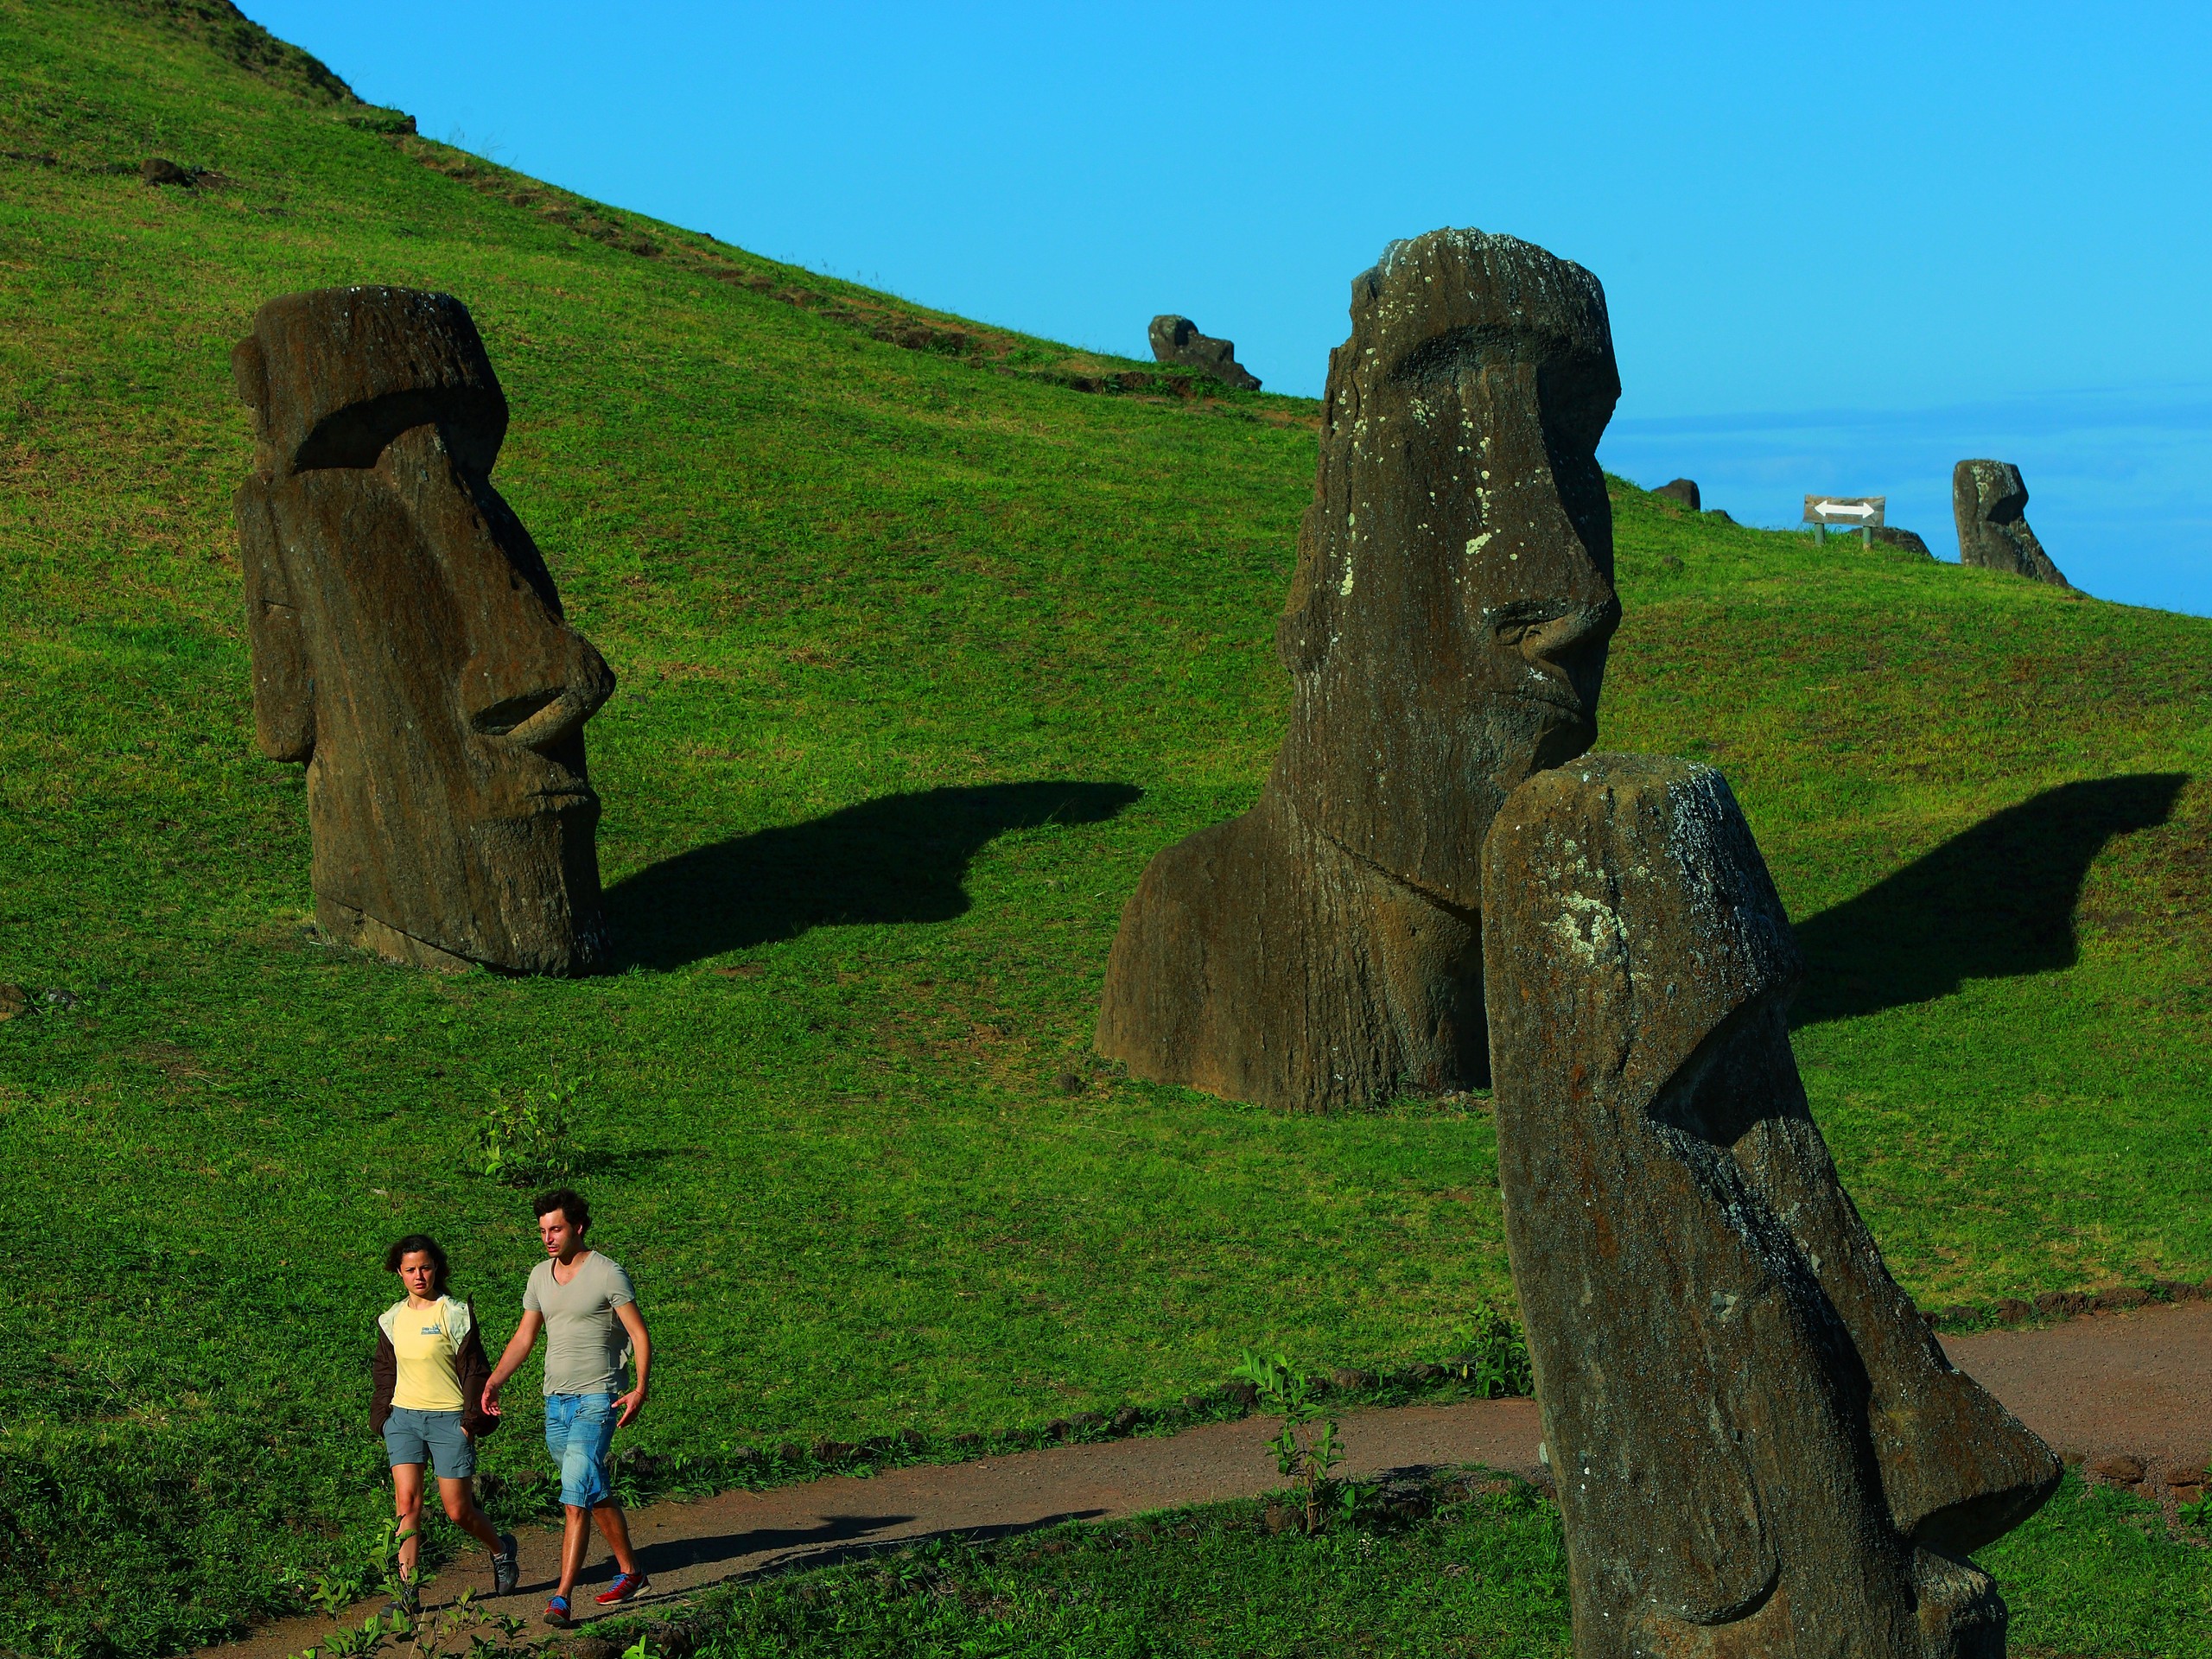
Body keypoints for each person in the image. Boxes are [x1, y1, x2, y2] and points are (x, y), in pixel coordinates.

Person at [482, 1189, 653, 1627]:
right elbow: (525, 1336)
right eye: (542, 1230)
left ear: (578, 1226)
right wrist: (496, 1380)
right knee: (591, 1487)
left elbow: (638, 1333)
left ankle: (561, 1597)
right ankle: (632, 1571)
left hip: (598, 1398)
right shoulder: (540, 1275)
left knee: (574, 1496)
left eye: (555, 1228)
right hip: (554, 1402)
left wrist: (640, 1388)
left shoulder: (608, 1273)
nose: (548, 1238)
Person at [370, 1235, 520, 1615]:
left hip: (449, 1420)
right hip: (403, 1419)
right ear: (399, 1273)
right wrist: (384, 1417)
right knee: (406, 1505)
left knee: (458, 1510)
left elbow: (474, 1369)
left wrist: (470, 1421)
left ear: (436, 1268)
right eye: (410, 1269)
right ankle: (408, 1591)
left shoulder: (453, 1313)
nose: (418, 1275)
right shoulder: (392, 1319)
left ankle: (501, 1550)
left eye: (425, 1267)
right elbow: (385, 1371)